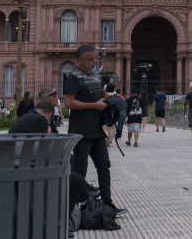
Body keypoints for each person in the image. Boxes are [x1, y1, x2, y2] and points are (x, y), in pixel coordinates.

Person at [9, 100, 91, 231]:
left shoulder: (27, 117)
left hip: (18, 166)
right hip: (28, 170)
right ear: (49, 114)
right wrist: (49, 133)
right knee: (77, 181)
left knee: (70, 168)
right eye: (50, 119)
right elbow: (47, 145)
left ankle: (83, 194)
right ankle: (60, 223)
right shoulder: (39, 120)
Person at [64, 45, 125, 216]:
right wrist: (93, 105)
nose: (94, 62)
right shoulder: (73, 77)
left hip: (97, 129)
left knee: (104, 166)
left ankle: (107, 205)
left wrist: (111, 98)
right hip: (81, 130)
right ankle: (72, 208)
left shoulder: (96, 74)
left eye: (95, 59)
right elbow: (68, 102)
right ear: (80, 60)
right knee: (80, 170)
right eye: (90, 60)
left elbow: (101, 91)